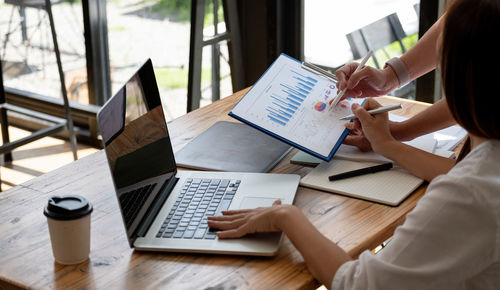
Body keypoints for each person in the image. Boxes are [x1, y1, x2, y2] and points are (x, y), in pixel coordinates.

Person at [208, 0, 500, 289]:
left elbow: (358, 284)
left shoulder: (469, 194)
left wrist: (286, 216)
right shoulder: (482, 171)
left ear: (456, 79)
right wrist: (389, 139)